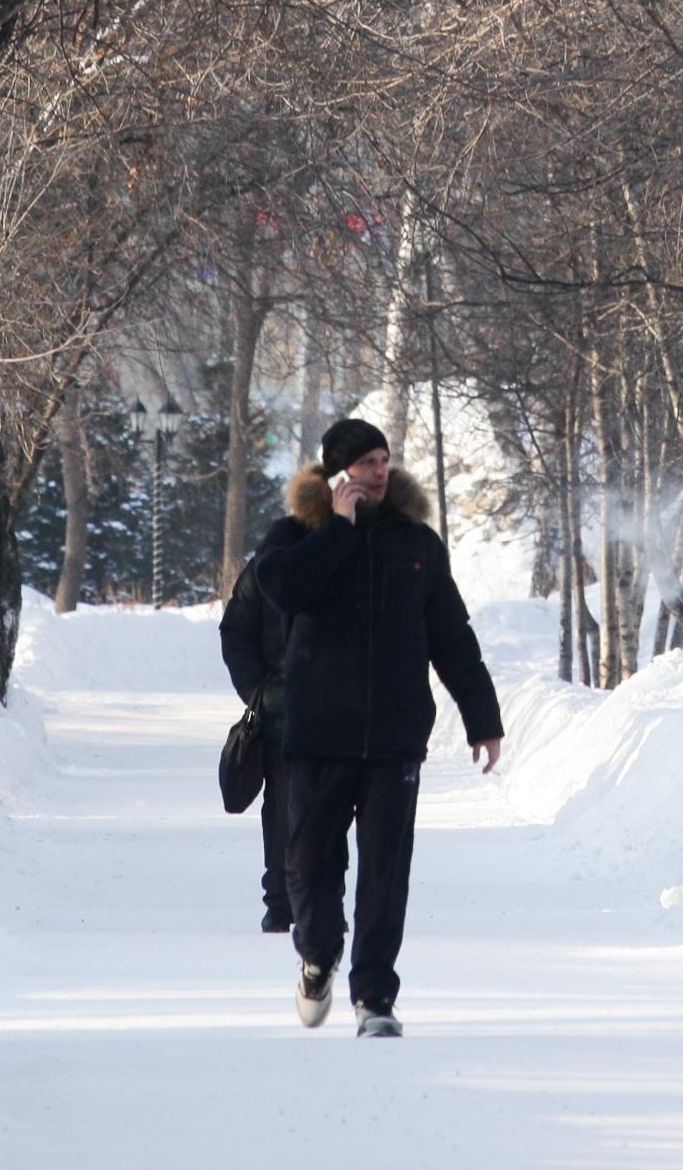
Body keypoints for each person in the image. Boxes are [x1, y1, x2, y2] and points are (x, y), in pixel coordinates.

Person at [247, 417, 502, 1039]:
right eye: (365, 464)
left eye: (384, 460)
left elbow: (451, 635)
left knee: (386, 872)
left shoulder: (416, 543)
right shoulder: (294, 537)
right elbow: (279, 591)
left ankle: (375, 999)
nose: (379, 472)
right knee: (309, 864)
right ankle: (317, 956)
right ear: (337, 475)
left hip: (394, 737)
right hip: (315, 735)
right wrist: (337, 531)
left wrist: (482, 719)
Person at [219, 525, 299, 934]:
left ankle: (319, 897)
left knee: (330, 807)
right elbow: (236, 631)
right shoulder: (271, 560)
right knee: (283, 806)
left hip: (339, 710)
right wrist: (258, 692)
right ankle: (282, 901)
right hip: (281, 711)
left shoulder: (355, 555)